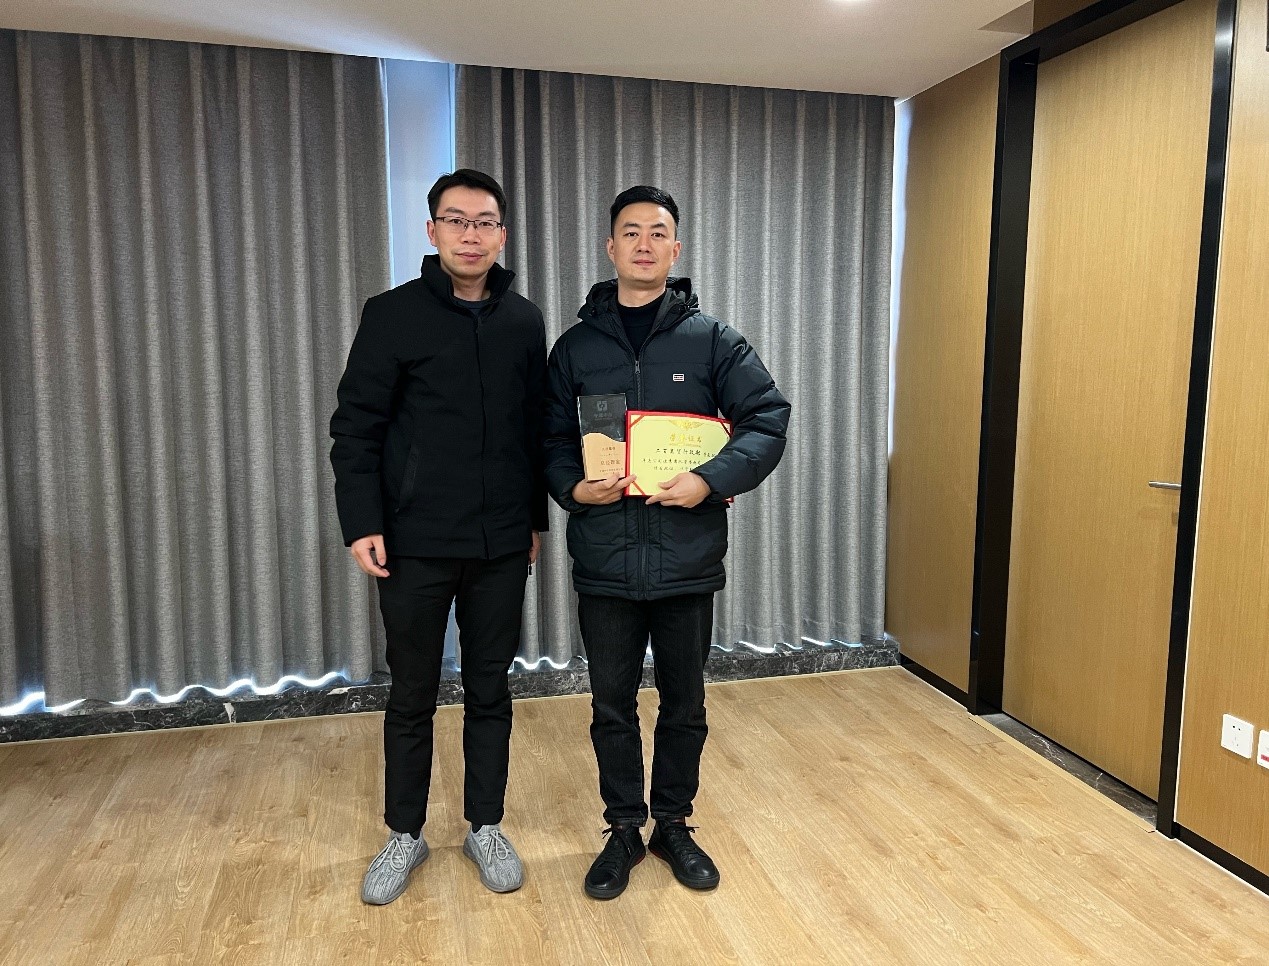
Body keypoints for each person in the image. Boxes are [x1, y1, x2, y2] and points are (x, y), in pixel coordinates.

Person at [543, 185, 790, 899]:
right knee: (610, 707)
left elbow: (766, 419)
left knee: (685, 705)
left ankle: (673, 824)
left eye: (657, 233)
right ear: (610, 247)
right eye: (631, 232)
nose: (644, 244)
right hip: (605, 558)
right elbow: (550, 438)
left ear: (675, 249)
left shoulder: (712, 340)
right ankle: (623, 827)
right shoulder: (575, 347)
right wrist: (573, 488)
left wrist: (709, 480)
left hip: (686, 558)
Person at [330, 169, 547, 905]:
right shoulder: (391, 314)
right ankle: (404, 833)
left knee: (491, 689)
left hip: (499, 545)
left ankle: (485, 825)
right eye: (455, 220)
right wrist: (362, 522)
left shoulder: (524, 321)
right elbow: (356, 428)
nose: (469, 234)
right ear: (431, 231)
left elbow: (532, 431)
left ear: (502, 234)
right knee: (412, 693)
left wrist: (533, 521)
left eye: (483, 222)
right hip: (413, 542)